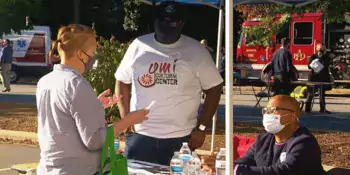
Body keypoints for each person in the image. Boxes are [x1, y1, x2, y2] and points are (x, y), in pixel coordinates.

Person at [115, 1, 223, 166]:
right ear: (155, 21)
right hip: (141, 136)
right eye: (163, 20)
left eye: (172, 21)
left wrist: (201, 128)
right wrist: (125, 117)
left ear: (182, 23)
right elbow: (122, 80)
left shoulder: (196, 51)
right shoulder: (139, 46)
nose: (167, 24)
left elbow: (214, 89)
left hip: (181, 138)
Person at [36, 24, 149, 175]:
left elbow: (64, 115)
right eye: (93, 52)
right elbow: (94, 141)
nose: (94, 57)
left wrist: (94, 105)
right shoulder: (77, 84)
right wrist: (128, 120)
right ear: (80, 54)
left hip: (49, 168)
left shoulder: (45, 80)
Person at [201, 95, 326, 175]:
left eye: (273, 110)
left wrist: (234, 170)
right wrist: (219, 166)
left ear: (292, 116)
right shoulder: (263, 139)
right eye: (266, 110)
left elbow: (284, 171)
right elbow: (242, 163)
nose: (267, 114)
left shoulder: (304, 142)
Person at [305, 44, 331, 114]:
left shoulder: (326, 57)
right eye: (319, 49)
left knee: (322, 94)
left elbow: (326, 65)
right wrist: (316, 60)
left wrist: (321, 58)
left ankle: (322, 109)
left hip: (322, 78)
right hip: (313, 78)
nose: (320, 50)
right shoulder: (313, 56)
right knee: (311, 94)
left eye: (322, 49)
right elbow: (309, 66)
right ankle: (307, 109)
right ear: (316, 49)